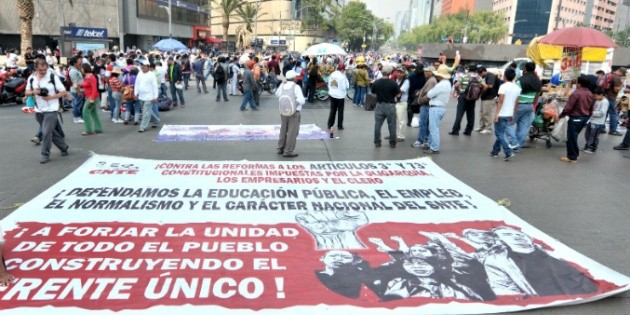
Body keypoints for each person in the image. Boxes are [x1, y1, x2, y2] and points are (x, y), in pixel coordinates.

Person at [491, 227, 598, 296]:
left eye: (519, 235)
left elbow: (577, 271)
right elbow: (503, 288)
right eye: (508, 235)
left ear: (528, 238)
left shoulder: (550, 251)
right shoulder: (498, 261)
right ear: (500, 241)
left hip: (580, 291)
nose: (516, 237)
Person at [25, 59, 69, 164]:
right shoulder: (31, 78)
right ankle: (64, 147)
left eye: (45, 69)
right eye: (41, 70)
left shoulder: (52, 77)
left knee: (46, 132)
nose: (43, 72)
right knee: (50, 131)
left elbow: (63, 92)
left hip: (52, 109)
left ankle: (45, 155)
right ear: (36, 68)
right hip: (39, 109)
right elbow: (26, 92)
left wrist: (51, 97)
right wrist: (33, 92)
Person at [558, 75, 594, 163]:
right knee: (574, 136)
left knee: (571, 137)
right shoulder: (590, 93)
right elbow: (591, 107)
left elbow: (568, 107)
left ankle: (572, 157)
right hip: (585, 117)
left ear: (579, 83)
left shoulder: (576, 93)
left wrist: (561, 115)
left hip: (576, 117)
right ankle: (574, 155)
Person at [508, 62, 542, 150]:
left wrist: (513, 108)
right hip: (529, 106)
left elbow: (516, 96)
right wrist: (533, 105)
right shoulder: (538, 80)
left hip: (519, 105)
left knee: (508, 124)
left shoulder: (520, 80)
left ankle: (513, 142)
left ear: (525, 69)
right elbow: (537, 95)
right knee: (522, 127)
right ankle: (517, 146)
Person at [490, 68, 520, 161]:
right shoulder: (517, 88)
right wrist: (513, 114)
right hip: (509, 113)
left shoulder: (503, 86)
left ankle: (508, 151)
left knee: (499, 134)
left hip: (502, 113)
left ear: (505, 76)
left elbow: (500, 101)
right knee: (501, 133)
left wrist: (496, 114)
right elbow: (517, 102)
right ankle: (495, 151)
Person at [276, 70, 305, 158]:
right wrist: (294, 100)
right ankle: (288, 150)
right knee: (292, 131)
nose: (297, 78)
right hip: (294, 112)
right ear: (293, 78)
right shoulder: (296, 87)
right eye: (296, 77)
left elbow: (277, 94)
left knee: (283, 129)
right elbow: (302, 101)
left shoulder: (283, 85)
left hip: (284, 111)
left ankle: (280, 148)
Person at [424, 65, 452, 154]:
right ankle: (431, 144)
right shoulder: (447, 83)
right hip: (440, 108)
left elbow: (429, 94)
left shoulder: (441, 84)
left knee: (433, 129)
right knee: (434, 128)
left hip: (436, 108)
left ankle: (434, 147)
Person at [372, 65, 401, 148]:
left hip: (379, 105)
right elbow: (398, 94)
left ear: (382, 72)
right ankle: (392, 142)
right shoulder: (393, 83)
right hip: (390, 105)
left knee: (377, 124)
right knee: (392, 124)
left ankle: (377, 141)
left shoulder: (376, 82)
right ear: (390, 73)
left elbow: (373, 92)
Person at [449, 64, 480, 136]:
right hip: (472, 98)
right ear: (476, 70)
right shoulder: (478, 77)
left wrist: (459, 91)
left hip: (463, 96)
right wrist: (478, 95)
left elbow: (456, 85)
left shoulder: (463, 76)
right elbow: (484, 86)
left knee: (459, 114)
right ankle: (468, 131)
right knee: (471, 114)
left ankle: (455, 131)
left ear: (468, 69)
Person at [411, 66, 437, 150]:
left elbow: (429, 95)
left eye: (427, 71)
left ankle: (420, 140)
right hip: (428, 104)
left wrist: (420, 100)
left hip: (426, 105)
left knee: (423, 123)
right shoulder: (431, 80)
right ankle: (425, 140)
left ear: (431, 72)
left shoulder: (431, 81)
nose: (425, 73)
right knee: (426, 123)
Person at [135, 60, 161, 132]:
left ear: (148, 67)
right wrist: (135, 93)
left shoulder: (151, 75)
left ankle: (142, 126)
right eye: (141, 65)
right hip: (141, 96)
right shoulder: (139, 74)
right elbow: (137, 84)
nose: (142, 67)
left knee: (146, 112)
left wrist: (155, 96)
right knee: (147, 110)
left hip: (149, 96)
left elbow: (155, 86)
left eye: (144, 66)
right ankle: (156, 120)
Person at [599, 68, 625, 136]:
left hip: (604, 96)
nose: (622, 76)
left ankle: (601, 128)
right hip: (611, 97)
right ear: (620, 72)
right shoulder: (616, 78)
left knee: (606, 112)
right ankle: (613, 130)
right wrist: (621, 85)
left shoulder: (608, 74)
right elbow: (616, 90)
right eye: (622, 75)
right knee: (614, 114)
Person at [79, 63, 103, 136]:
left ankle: (89, 130)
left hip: (92, 97)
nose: (81, 69)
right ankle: (98, 128)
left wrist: (92, 98)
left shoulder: (91, 77)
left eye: (82, 68)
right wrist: (79, 85)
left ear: (85, 68)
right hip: (91, 97)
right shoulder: (87, 76)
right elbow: (85, 85)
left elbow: (94, 88)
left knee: (85, 112)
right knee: (93, 113)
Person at [583, 88, 609, 153]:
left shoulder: (605, 102)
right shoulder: (598, 100)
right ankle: (587, 146)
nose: (595, 97)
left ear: (601, 95)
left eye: (596, 96)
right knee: (587, 134)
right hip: (592, 120)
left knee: (594, 136)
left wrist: (592, 113)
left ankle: (592, 148)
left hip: (598, 122)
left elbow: (602, 113)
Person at [327, 64, 350, 135]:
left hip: (332, 94)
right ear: (343, 69)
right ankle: (339, 125)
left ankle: (330, 124)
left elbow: (329, 84)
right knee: (340, 111)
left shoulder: (332, 74)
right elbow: (345, 86)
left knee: (332, 110)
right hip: (340, 96)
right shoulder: (342, 76)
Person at [476, 67, 499, 134]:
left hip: (490, 97)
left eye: (480, 73)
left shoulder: (490, 75)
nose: (480, 75)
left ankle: (488, 128)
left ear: (484, 71)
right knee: (481, 112)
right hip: (484, 97)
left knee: (487, 113)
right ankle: (482, 126)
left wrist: (483, 85)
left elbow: (491, 86)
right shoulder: (483, 77)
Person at [394, 68, 410, 142]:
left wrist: (393, 91)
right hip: (395, 102)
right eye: (398, 72)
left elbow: (400, 91)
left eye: (401, 72)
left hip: (402, 102)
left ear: (404, 74)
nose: (399, 74)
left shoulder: (406, 81)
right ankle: (393, 134)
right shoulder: (396, 80)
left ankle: (401, 136)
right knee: (393, 119)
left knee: (401, 120)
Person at [68, 56, 85, 123]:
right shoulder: (73, 71)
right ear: (75, 62)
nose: (81, 62)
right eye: (79, 61)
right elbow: (75, 83)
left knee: (79, 104)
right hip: (77, 90)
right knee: (77, 104)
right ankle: (77, 117)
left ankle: (79, 117)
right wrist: (78, 91)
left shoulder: (76, 69)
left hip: (79, 89)